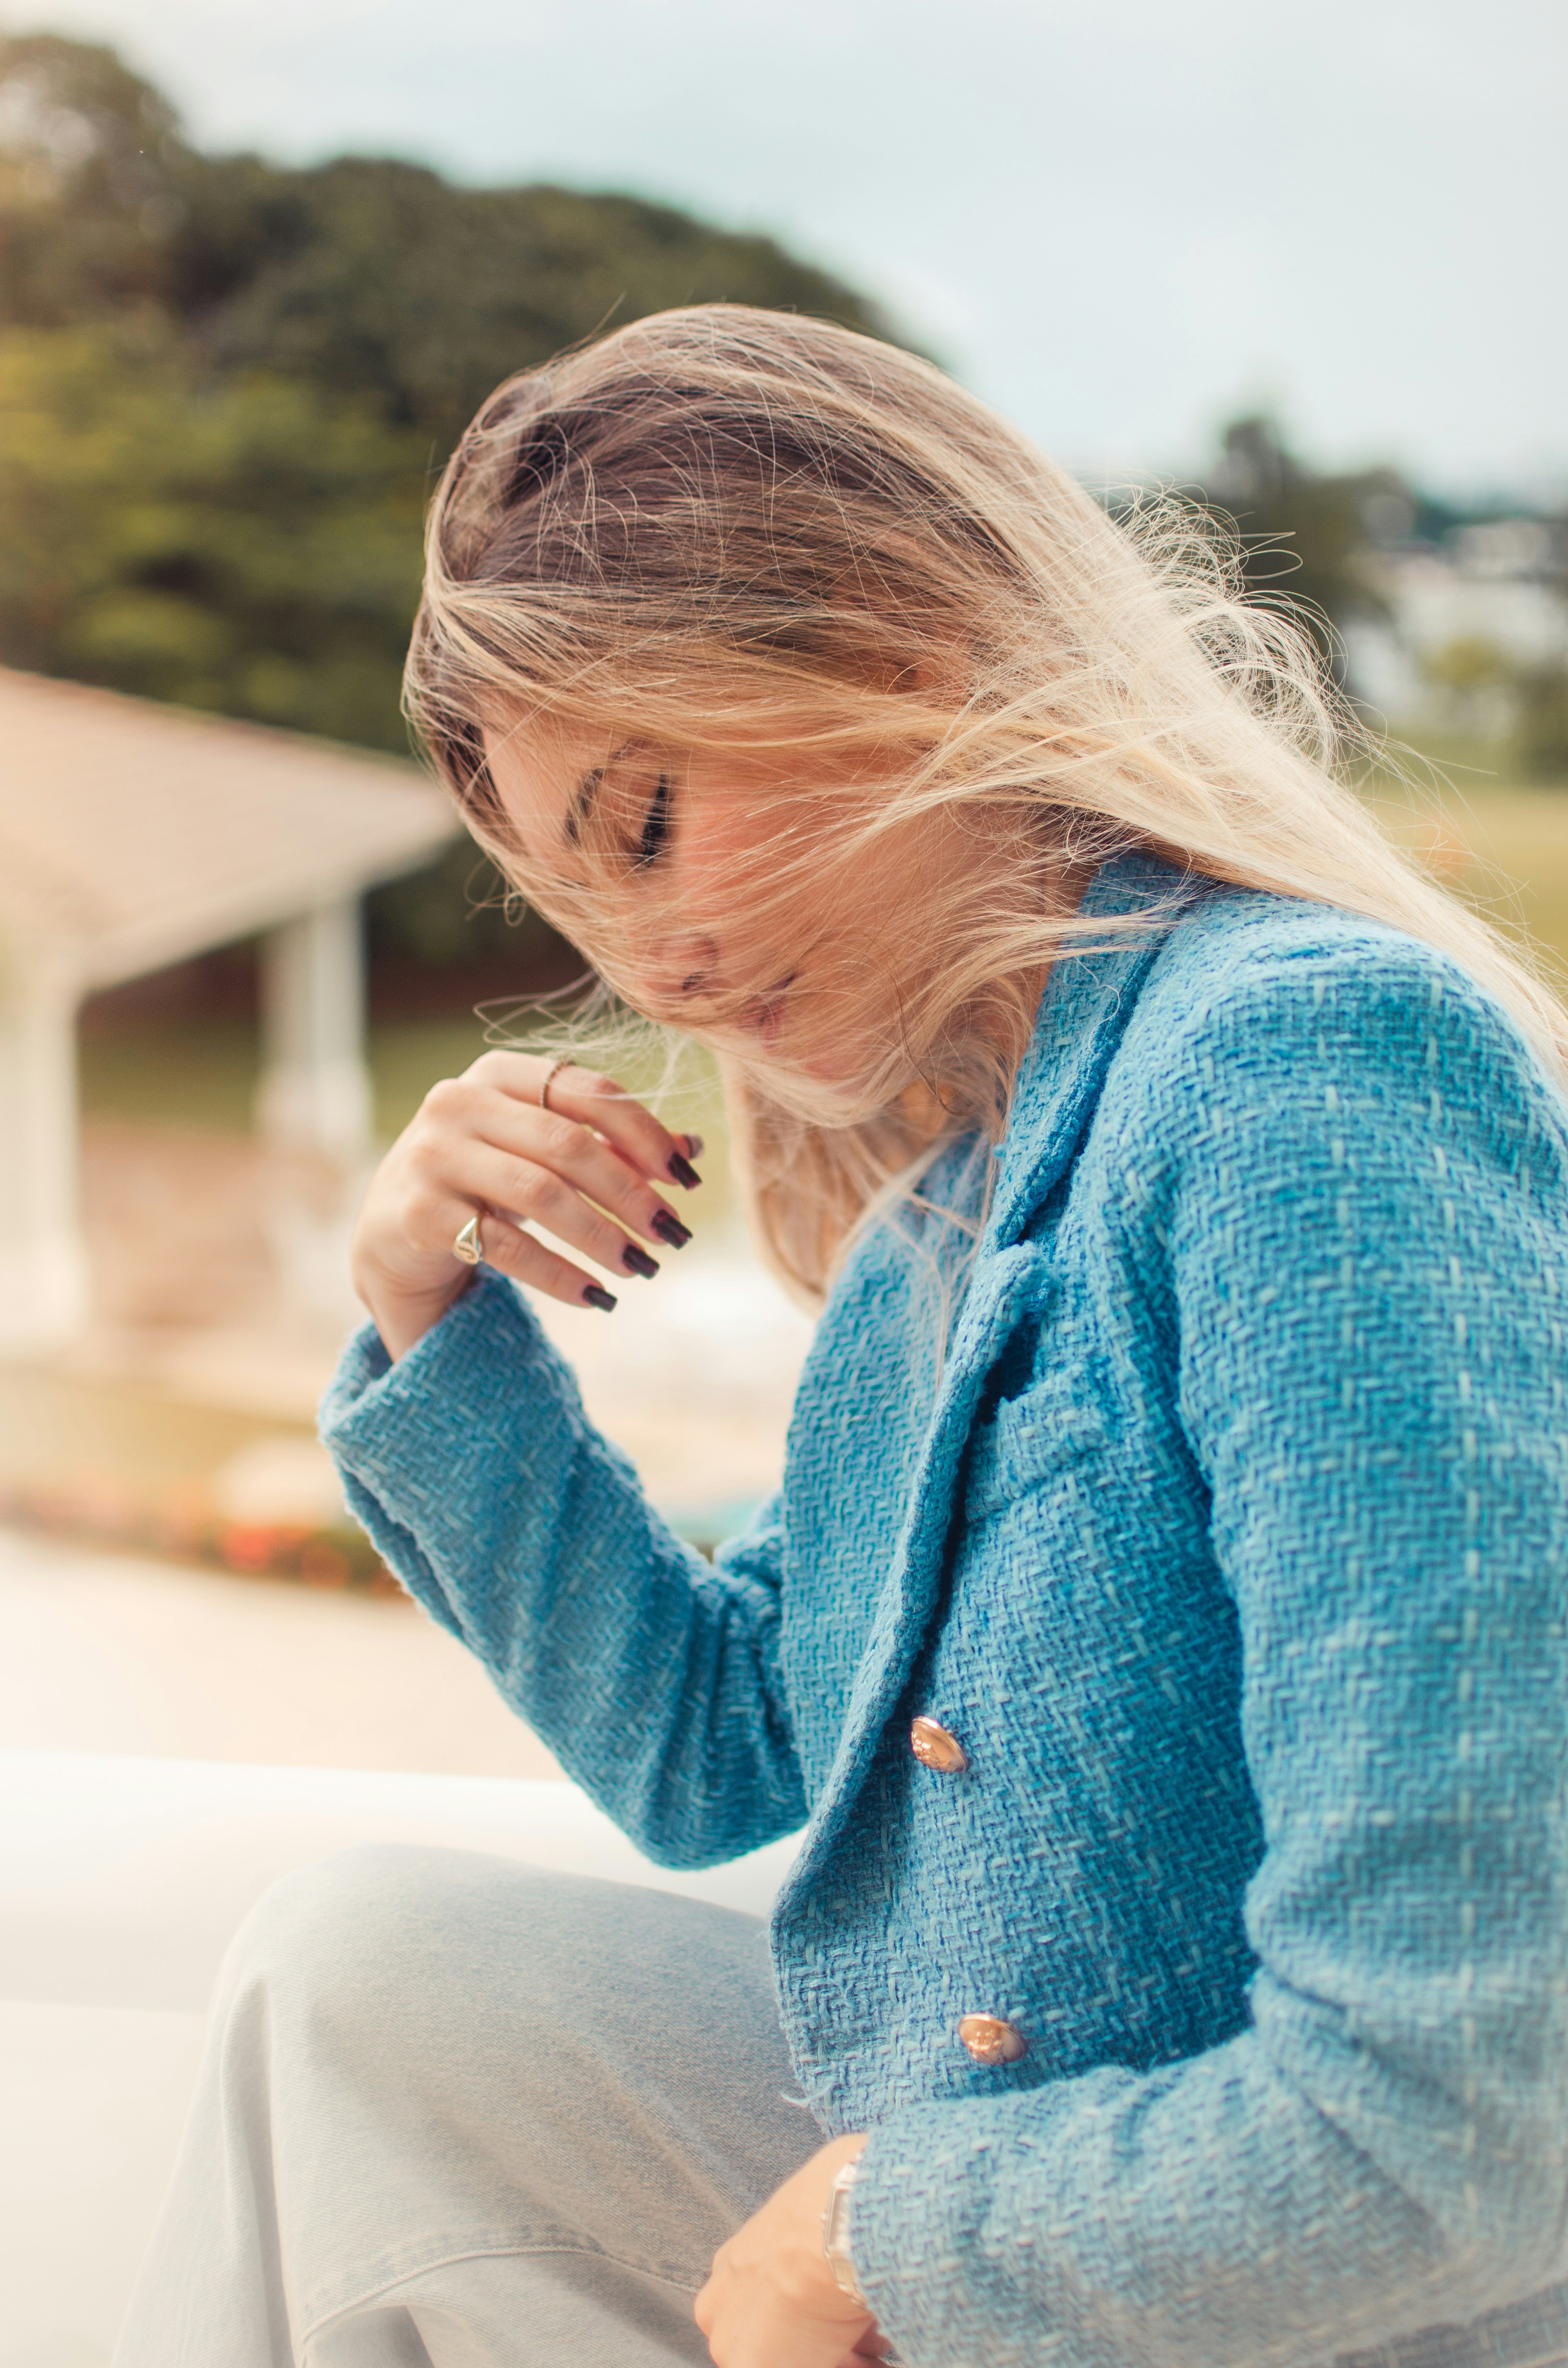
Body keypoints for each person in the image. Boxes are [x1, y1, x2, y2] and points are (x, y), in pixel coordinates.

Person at [115, 307, 1568, 2368]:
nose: (647, 959)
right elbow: (720, 1751)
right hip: (1026, 2201)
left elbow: (1481, 2102)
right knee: (355, 1971)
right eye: (569, 892)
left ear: (899, 647)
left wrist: (895, 2231)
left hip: (1304, 2295)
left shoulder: (1298, 1064)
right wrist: (428, 1323)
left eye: (642, 821)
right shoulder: (944, 1215)